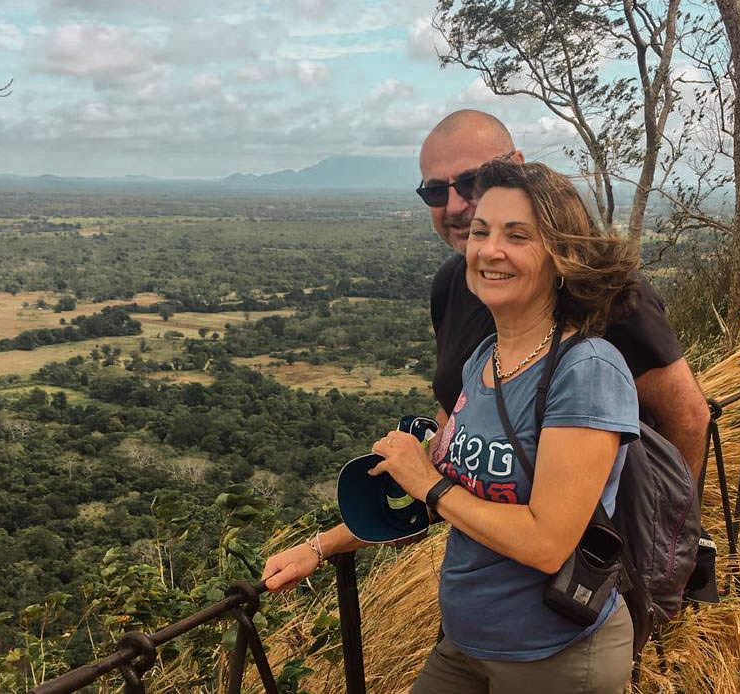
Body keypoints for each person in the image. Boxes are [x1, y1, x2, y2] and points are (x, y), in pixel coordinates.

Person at [267, 160, 643, 692]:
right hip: (466, 643)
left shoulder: (587, 371)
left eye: (518, 236)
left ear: (562, 257)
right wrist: (320, 547)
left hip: (556, 656)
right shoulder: (483, 359)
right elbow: (438, 494)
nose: (490, 250)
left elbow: (546, 543)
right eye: (481, 232)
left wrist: (429, 482)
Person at [420, 110, 711, 481]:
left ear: (517, 169)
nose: (455, 206)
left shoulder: (605, 290)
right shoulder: (451, 285)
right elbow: (454, 402)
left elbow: (687, 418)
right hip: (481, 527)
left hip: (599, 531)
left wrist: (675, 530)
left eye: (471, 181)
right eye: (434, 191)